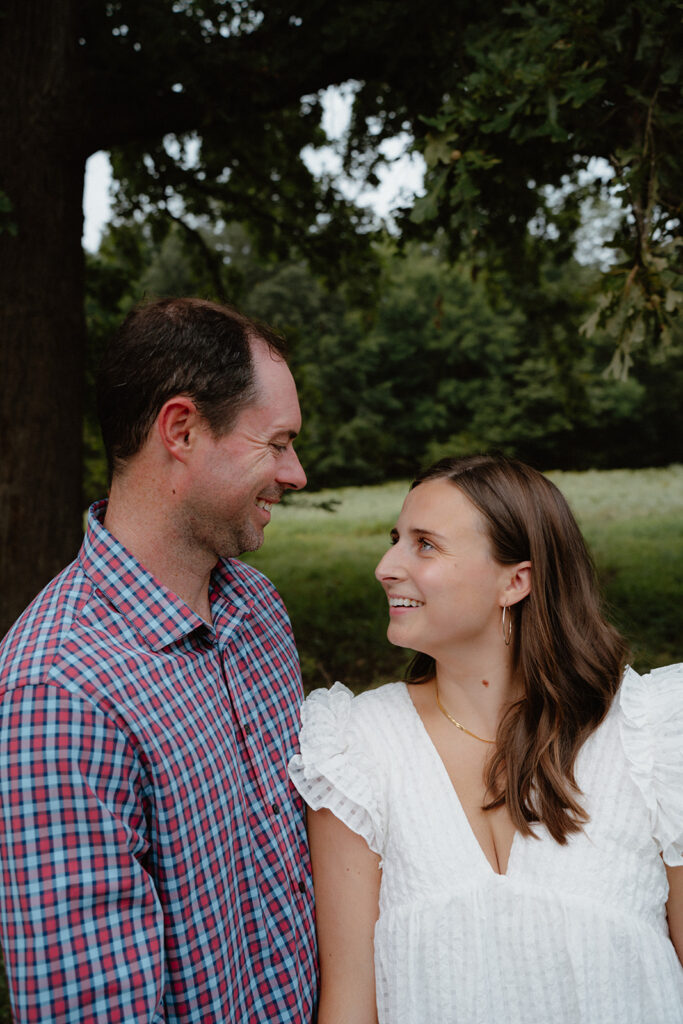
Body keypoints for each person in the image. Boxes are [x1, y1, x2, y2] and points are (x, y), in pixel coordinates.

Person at [0, 298, 317, 1023]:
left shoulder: (258, 610)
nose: (294, 473)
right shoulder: (59, 691)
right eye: (275, 443)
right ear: (181, 429)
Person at [289, 453, 683, 1024]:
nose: (385, 565)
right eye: (395, 538)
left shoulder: (651, 736)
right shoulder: (357, 747)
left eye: (425, 544)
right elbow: (349, 1003)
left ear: (515, 581)